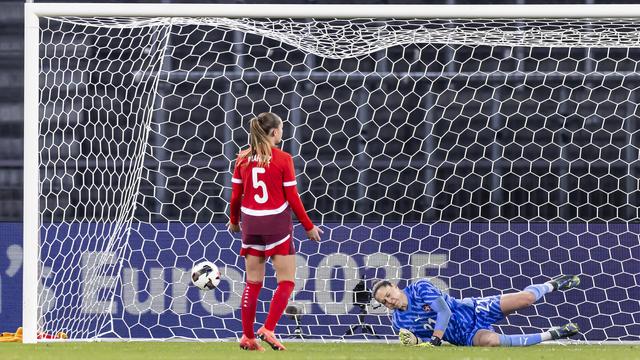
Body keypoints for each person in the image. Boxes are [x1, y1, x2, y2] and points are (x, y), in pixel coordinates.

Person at [228, 112, 323, 351]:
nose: (282, 131)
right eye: (281, 128)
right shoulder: (283, 158)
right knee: (287, 281)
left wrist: (234, 221)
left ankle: (247, 337)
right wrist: (308, 226)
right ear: (274, 132)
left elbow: (235, 197)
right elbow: (292, 197)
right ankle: (268, 328)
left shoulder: (242, 158)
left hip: (251, 224)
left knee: (252, 282)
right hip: (276, 225)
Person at [372, 275, 581, 347]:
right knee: (492, 342)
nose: (390, 301)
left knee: (525, 299)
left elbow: (444, 312)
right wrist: (415, 342)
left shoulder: (419, 287)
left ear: (396, 286)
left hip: (474, 309)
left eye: (389, 294)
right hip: (465, 336)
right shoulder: (399, 323)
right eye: (385, 301)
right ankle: (553, 334)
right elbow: (420, 340)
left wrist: (435, 340)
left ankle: (553, 284)